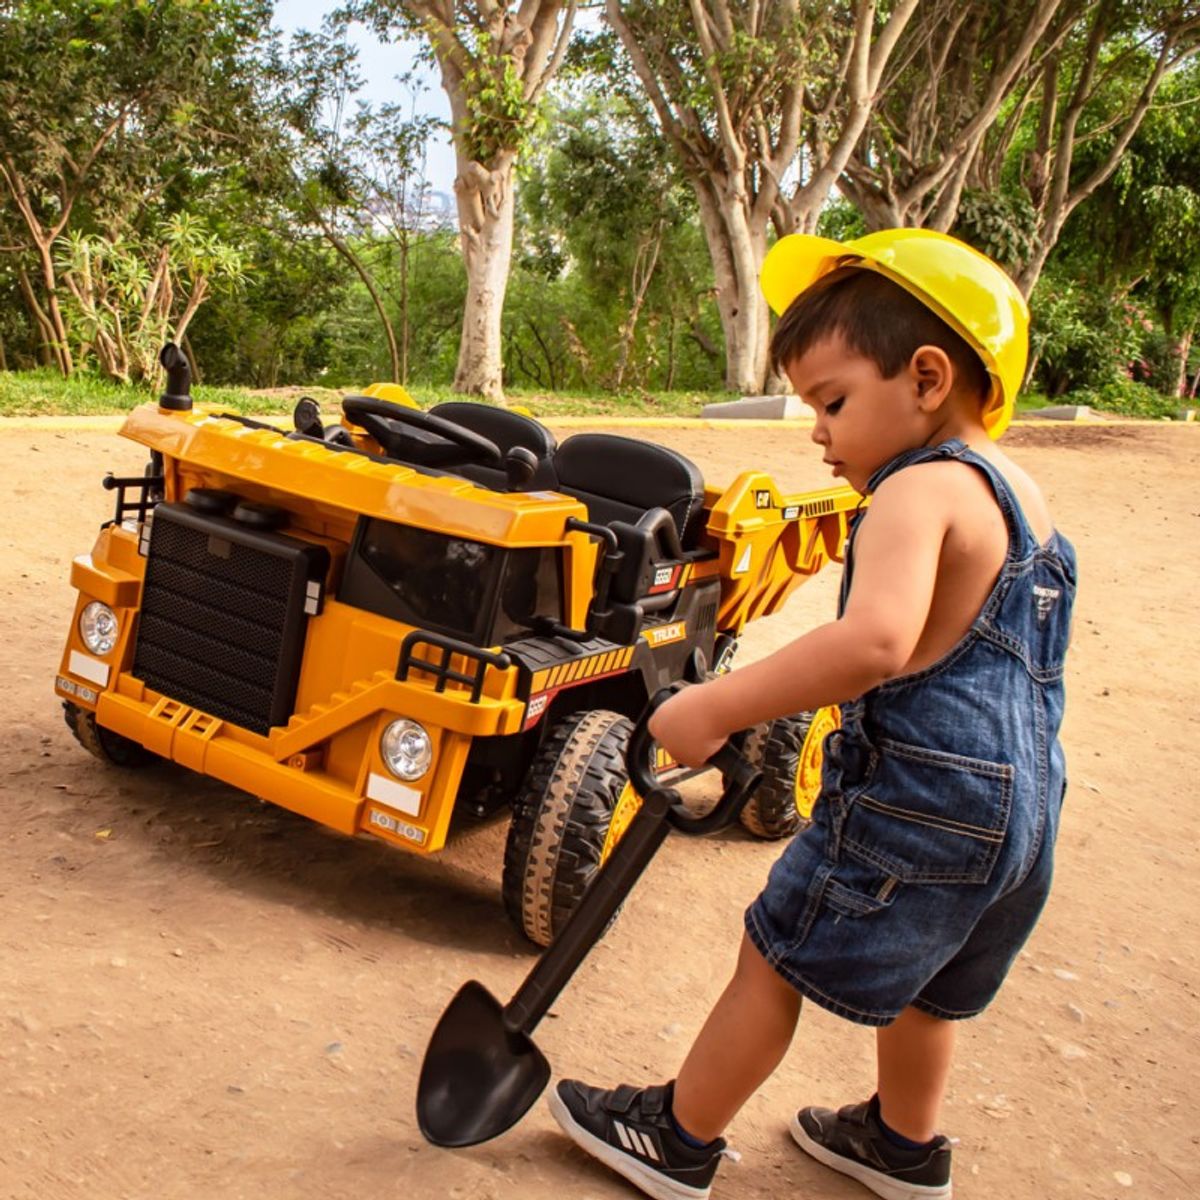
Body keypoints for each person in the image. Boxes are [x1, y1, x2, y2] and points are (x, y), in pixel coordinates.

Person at [546, 228, 1077, 1200]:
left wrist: (711, 706)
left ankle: (678, 1135)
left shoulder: (917, 494)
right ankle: (901, 1144)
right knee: (938, 981)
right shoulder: (1025, 499)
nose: (818, 432)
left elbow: (875, 643)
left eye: (832, 401)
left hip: (921, 797)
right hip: (1025, 812)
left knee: (774, 954)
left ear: (925, 377)